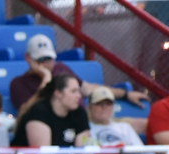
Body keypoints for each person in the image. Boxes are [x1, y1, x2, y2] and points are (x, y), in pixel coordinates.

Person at [10, 34, 148, 114]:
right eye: (40, 60)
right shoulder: (19, 83)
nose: (46, 64)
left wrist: (125, 94)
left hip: (83, 120)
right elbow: (26, 112)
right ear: (28, 58)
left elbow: (88, 89)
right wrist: (46, 79)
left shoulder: (61, 69)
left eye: (49, 59)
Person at [11, 74, 89, 147]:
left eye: (79, 91)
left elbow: (82, 150)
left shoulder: (79, 113)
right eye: (73, 91)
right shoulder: (38, 113)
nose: (79, 96)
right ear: (58, 93)